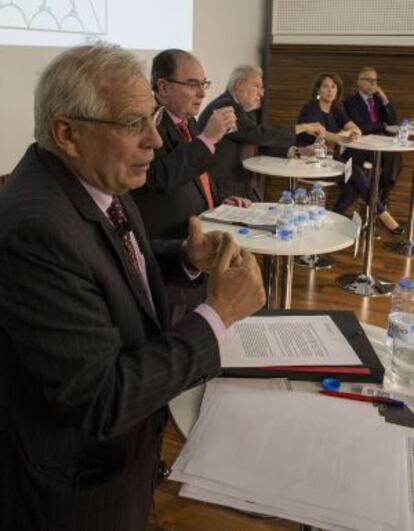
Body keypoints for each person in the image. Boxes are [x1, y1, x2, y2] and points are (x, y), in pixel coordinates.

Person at [0, 44, 265, 531]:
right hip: (79, 493)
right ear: (67, 133)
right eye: (132, 124)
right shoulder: (33, 230)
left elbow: (105, 264)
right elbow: (103, 398)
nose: (156, 140)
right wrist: (218, 315)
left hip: (124, 464)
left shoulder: (86, 183)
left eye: (151, 119)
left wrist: (185, 258)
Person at [131, 49, 249, 242]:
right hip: (168, 243)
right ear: (163, 87)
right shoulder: (149, 124)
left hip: (198, 233)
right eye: (192, 84)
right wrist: (207, 139)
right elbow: (157, 177)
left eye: (203, 84)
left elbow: (196, 176)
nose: (202, 94)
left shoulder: (188, 122)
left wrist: (218, 205)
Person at [198, 64, 326, 200]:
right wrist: (303, 127)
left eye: (262, 88)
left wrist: (297, 151)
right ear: (239, 85)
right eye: (257, 86)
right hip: (223, 188)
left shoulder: (242, 111)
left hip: (241, 184)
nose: (261, 93)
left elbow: (257, 143)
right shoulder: (224, 107)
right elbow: (256, 134)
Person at [295, 72, 402, 234]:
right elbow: (321, 134)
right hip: (308, 160)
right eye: (325, 86)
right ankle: (383, 214)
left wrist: (347, 134)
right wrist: (342, 137)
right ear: (318, 90)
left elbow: (356, 129)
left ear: (337, 91)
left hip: (329, 160)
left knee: (352, 188)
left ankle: (329, 222)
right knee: (356, 173)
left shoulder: (336, 111)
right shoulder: (309, 109)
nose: (330, 90)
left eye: (333, 87)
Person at [344, 66, 402, 208]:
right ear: (359, 82)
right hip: (361, 146)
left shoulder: (378, 100)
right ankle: (377, 197)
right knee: (389, 156)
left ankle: (382, 194)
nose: (373, 84)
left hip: (380, 143)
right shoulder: (351, 102)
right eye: (369, 80)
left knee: (395, 156)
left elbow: (393, 121)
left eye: (375, 80)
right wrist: (382, 125)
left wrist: (385, 99)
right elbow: (360, 127)